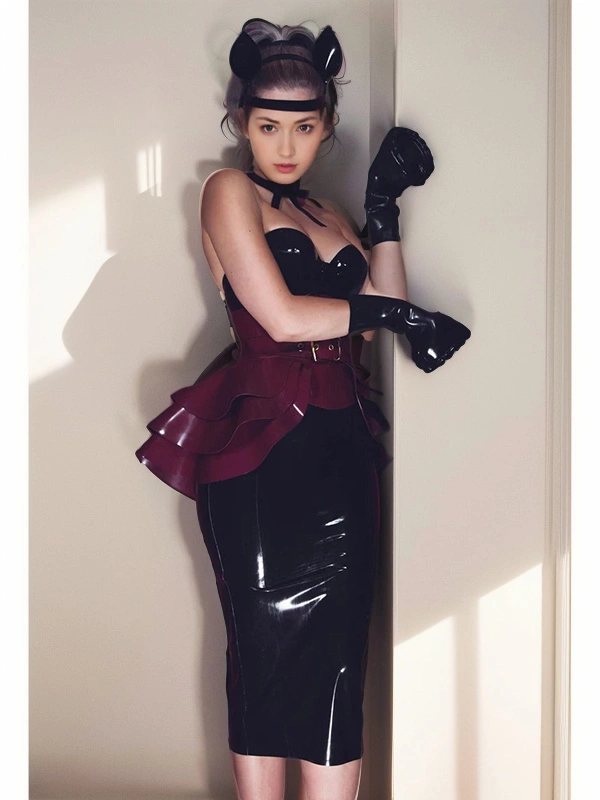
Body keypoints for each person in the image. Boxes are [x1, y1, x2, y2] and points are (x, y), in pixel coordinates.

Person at [135, 17, 470, 800]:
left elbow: (377, 314)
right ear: (242, 123)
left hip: (341, 449)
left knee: (340, 660)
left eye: (305, 126)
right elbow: (284, 320)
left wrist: (381, 208)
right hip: (260, 456)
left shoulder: (330, 215)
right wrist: (402, 316)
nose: (285, 145)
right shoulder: (226, 193)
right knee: (261, 653)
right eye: (268, 126)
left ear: (326, 126)